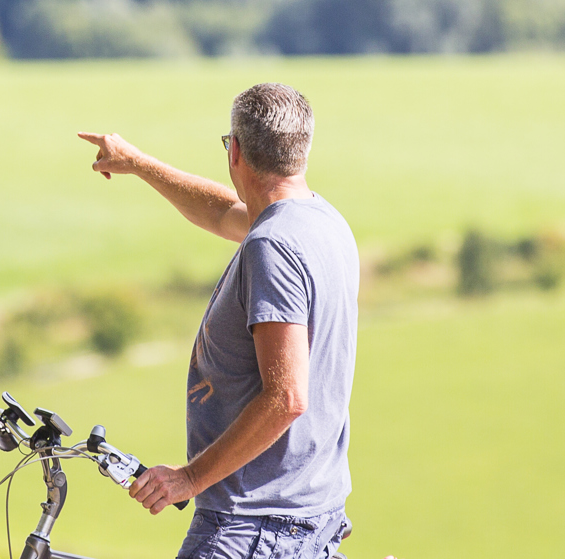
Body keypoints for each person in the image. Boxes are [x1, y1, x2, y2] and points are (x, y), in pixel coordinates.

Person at [78, 82, 359, 559]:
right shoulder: (320, 221)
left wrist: (189, 479)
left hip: (252, 525)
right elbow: (220, 210)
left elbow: (287, 397)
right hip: (305, 514)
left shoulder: (273, 246)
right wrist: (138, 163)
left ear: (237, 155)